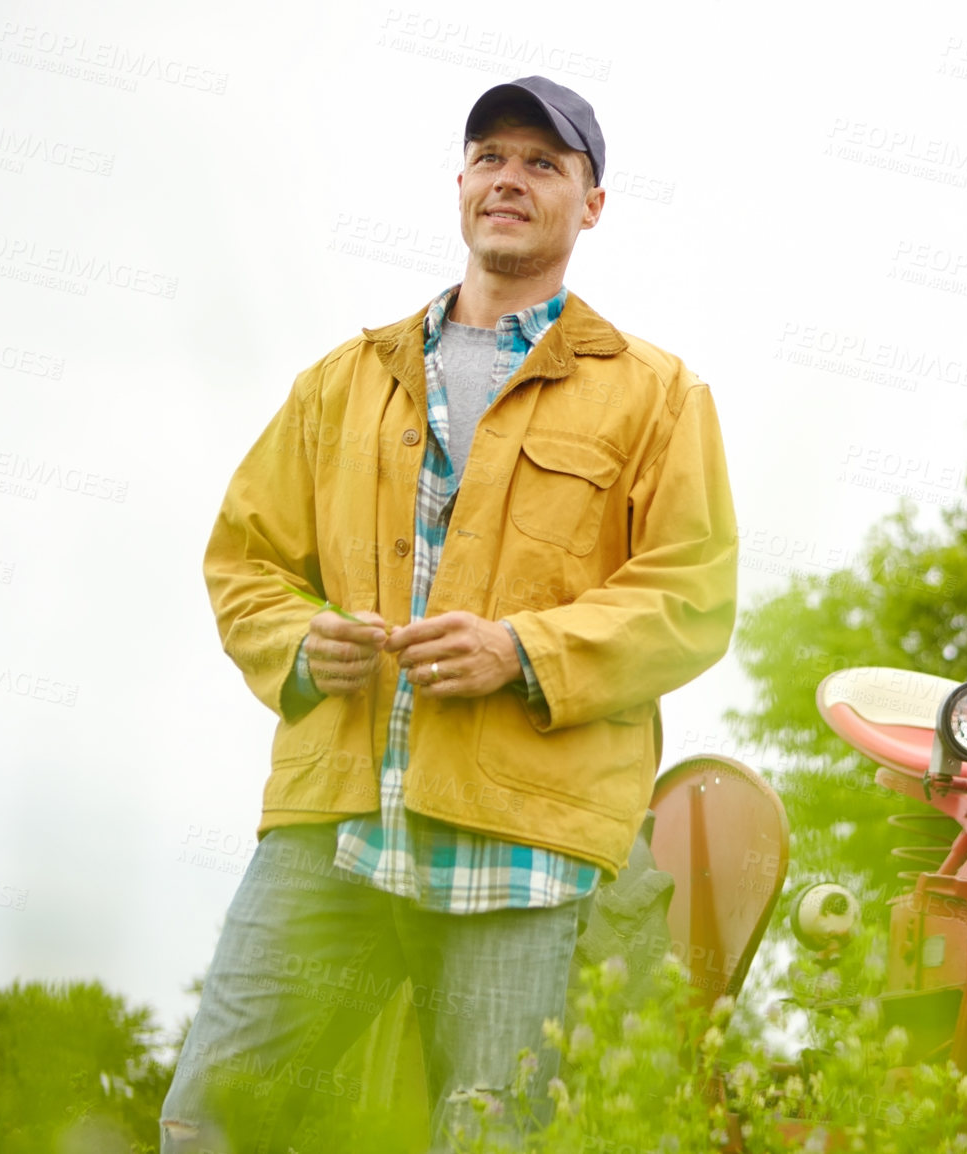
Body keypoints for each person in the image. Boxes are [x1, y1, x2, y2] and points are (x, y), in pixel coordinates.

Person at [162, 75, 737, 1151]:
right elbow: (245, 560)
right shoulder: (343, 380)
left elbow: (691, 599)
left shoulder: (657, 395)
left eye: (542, 163)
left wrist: (522, 649)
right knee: (211, 1121)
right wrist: (298, 640)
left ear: (591, 204)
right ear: (461, 183)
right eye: (489, 157)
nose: (508, 179)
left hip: (523, 845)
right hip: (336, 823)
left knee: (490, 1135)